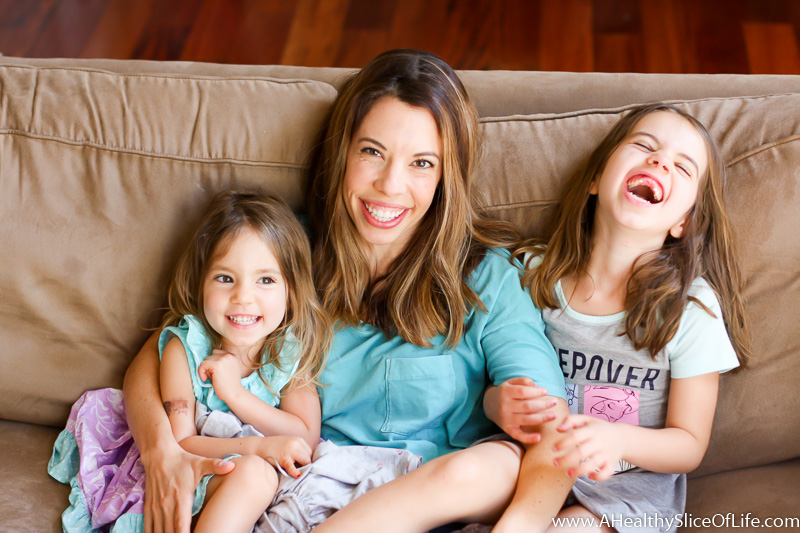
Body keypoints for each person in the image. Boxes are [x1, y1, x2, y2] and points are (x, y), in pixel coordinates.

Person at [122, 49, 573, 533]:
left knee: (493, 466)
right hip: (310, 487)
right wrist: (162, 451)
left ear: (447, 178)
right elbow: (171, 345)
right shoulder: (286, 255)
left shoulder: (489, 277)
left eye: (422, 163)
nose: (389, 186)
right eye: (372, 152)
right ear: (343, 153)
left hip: (433, 495)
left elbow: (554, 436)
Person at [489, 103, 751, 532]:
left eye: (683, 168)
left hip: (625, 489)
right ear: (595, 179)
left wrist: (617, 439)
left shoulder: (690, 309)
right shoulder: (530, 274)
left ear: (683, 221)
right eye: (644, 146)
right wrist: (496, 405)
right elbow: (487, 380)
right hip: (528, 462)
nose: (660, 160)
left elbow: (688, 444)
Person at [49, 191, 331, 533]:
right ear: (200, 284)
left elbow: (304, 436)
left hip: (255, 480)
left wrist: (236, 395)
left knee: (259, 476)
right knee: (255, 474)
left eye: (266, 280)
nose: (243, 296)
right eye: (225, 278)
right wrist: (257, 446)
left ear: (292, 289)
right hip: (194, 470)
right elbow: (182, 443)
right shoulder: (183, 349)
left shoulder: (290, 352)